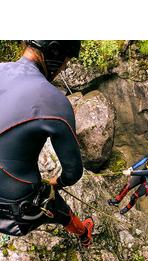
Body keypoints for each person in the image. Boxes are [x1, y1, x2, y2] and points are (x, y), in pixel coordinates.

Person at [0, 40, 94, 247]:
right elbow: (73, 173)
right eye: (65, 62)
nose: (64, 67)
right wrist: (56, 183)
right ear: (54, 53)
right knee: (59, 210)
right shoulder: (56, 102)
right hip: (17, 209)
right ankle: (83, 234)